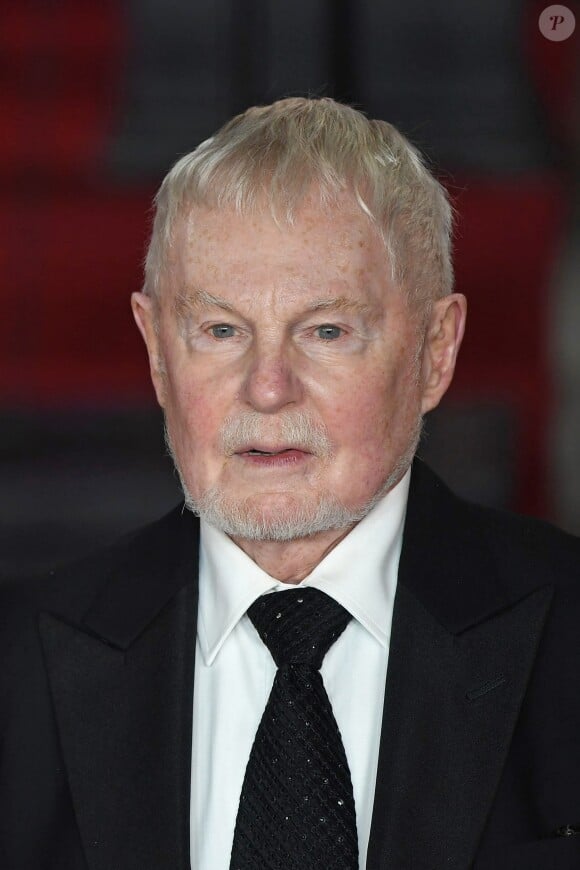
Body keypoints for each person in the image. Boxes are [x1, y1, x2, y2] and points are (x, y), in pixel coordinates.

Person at [1, 97, 580, 870]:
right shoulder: (15, 666)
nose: (268, 389)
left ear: (436, 352)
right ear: (155, 351)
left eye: (327, 331)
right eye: (221, 331)